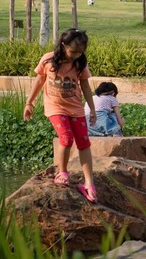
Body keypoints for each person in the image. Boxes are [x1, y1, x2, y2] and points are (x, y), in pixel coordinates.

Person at [23, 29, 98, 203]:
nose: (76, 55)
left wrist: (92, 109)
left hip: (76, 107)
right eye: (73, 51)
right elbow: (39, 81)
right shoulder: (48, 60)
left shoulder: (80, 63)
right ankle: (62, 172)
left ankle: (89, 183)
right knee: (66, 137)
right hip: (55, 106)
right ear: (63, 45)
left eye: (80, 52)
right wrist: (29, 103)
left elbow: (85, 86)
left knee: (84, 142)